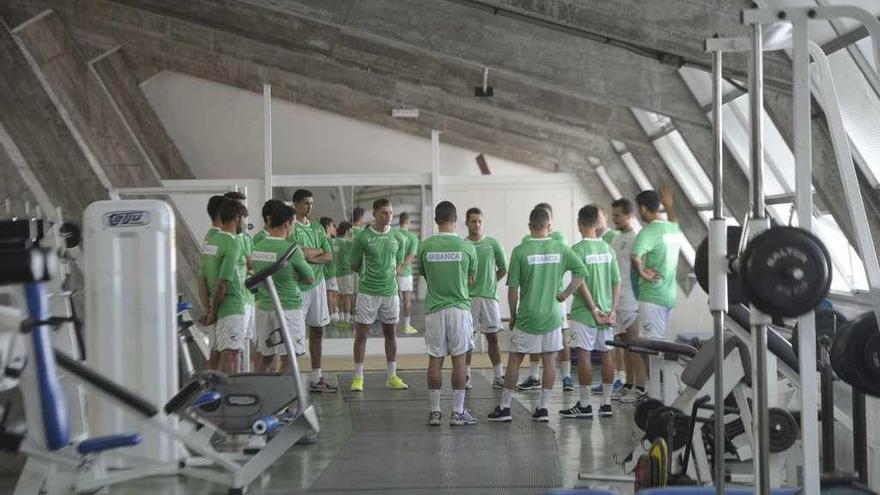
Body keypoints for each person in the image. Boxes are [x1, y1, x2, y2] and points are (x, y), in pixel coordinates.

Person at [488, 207, 586, 423]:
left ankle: (504, 408)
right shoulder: (560, 248)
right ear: (548, 226)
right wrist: (564, 295)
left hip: (527, 317)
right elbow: (581, 272)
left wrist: (513, 315)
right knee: (550, 361)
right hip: (552, 316)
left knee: (514, 360)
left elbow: (513, 289)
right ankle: (542, 409)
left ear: (530, 226)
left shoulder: (520, 251)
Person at [420, 201, 479, 426]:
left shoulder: (425, 246)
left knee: (435, 360)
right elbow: (471, 279)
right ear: (456, 221)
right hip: (459, 309)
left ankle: (435, 412)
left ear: (437, 220)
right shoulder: (467, 247)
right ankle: (457, 412)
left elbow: (425, 275)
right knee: (459, 360)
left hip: (435, 309)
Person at [559, 205, 620, 418]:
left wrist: (593, 308)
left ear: (579, 223)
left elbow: (580, 282)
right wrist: (612, 310)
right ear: (597, 222)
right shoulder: (608, 249)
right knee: (607, 355)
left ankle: (584, 405)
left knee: (584, 355)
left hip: (585, 313)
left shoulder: (577, 250)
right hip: (607, 313)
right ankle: (606, 404)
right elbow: (616, 282)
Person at [350, 198, 410, 392]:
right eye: (384, 212)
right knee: (362, 334)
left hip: (390, 293)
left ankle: (392, 376)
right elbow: (354, 264)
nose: (388, 216)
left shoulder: (399, 237)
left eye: (391, 213)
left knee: (390, 334)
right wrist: (369, 278)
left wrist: (388, 278)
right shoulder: (363, 237)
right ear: (374, 213)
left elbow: (399, 263)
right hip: (367, 292)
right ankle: (358, 377)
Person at [629, 186, 681, 402]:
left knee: (650, 347)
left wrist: (643, 273)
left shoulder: (648, 231)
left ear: (642, 209)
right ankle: (661, 391)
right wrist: (669, 205)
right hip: (669, 297)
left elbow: (634, 255)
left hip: (652, 297)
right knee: (657, 345)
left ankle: (660, 394)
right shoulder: (671, 229)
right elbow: (675, 221)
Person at [252, 203, 314, 372]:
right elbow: (309, 278)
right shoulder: (291, 249)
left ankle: (260, 395)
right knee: (289, 357)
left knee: (265, 355)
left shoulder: (257, 248)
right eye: (293, 223)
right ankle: (287, 396)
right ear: (287, 223)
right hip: (288, 308)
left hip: (264, 307)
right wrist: (295, 278)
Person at [518, 202, 572, 392]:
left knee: (562, 336)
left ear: (551, 222)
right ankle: (534, 376)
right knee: (534, 337)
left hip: (555, 298)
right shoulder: (527, 240)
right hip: (534, 297)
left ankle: (566, 376)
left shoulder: (559, 239)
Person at [289, 189, 338, 393]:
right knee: (294, 335)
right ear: (296, 205)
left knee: (317, 330)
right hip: (298, 287)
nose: (309, 207)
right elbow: (297, 253)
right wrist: (314, 252)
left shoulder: (318, 227)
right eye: (305, 203)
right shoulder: (291, 227)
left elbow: (329, 255)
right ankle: (291, 378)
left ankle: (317, 376)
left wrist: (311, 256)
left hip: (317, 285)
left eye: (311, 203)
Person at [199, 198, 248, 374]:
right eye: (243, 218)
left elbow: (202, 279)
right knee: (231, 354)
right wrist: (212, 312)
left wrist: (209, 309)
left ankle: (210, 394)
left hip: (217, 307)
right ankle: (224, 396)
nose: (244, 223)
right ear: (236, 218)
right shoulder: (233, 242)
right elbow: (223, 283)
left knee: (217, 353)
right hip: (231, 306)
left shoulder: (212, 240)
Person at [464, 207, 507, 389]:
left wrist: (490, 282)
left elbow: (503, 269)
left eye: (480, 221)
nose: (477, 224)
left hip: (489, 298)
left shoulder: (493, 243)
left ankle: (498, 376)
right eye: (473, 221)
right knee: (467, 339)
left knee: (493, 338)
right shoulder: (462, 245)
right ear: (466, 223)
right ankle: (465, 376)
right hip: (468, 299)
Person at [608, 198, 645, 402]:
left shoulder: (636, 238)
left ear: (629, 215)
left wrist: (639, 299)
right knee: (623, 345)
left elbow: (640, 270)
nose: (615, 219)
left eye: (618, 216)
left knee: (635, 346)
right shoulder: (615, 238)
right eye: (613, 215)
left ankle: (640, 387)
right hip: (618, 300)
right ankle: (628, 384)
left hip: (632, 299)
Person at [224, 191, 255, 372]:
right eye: (240, 211)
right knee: (233, 349)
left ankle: (242, 379)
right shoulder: (228, 239)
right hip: (236, 300)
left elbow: (252, 265)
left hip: (249, 298)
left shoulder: (246, 237)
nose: (244, 215)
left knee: (243, 346)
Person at [396, 212, 420, 335]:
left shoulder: (393, 234)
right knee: (407, 299)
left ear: (399, 221)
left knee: (391, 300)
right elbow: (411, 256)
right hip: (406, 274)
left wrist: (396, 269)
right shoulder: (413, 237)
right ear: (408, 222)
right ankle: (406, 326)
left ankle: (390, 326)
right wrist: (403, 267)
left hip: (392, 273)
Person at [334, 221, 355, 327]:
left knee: (340, 296)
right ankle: (346, 320)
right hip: (346, 273)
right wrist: (351, 233)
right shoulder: (347, 242)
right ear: (347, 230)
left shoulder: (334, 242)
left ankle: (341, 318)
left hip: (336, 273)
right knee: (347, 296)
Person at [320, 217, 340, 324]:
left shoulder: (328, 240)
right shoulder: (327, 241)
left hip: (330, 272)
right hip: (329, 272)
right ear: (327, 227)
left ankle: (332, 313)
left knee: (332, 292)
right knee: (330, 293)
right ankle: (331, 314)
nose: (334, 229)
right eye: (333, 226)